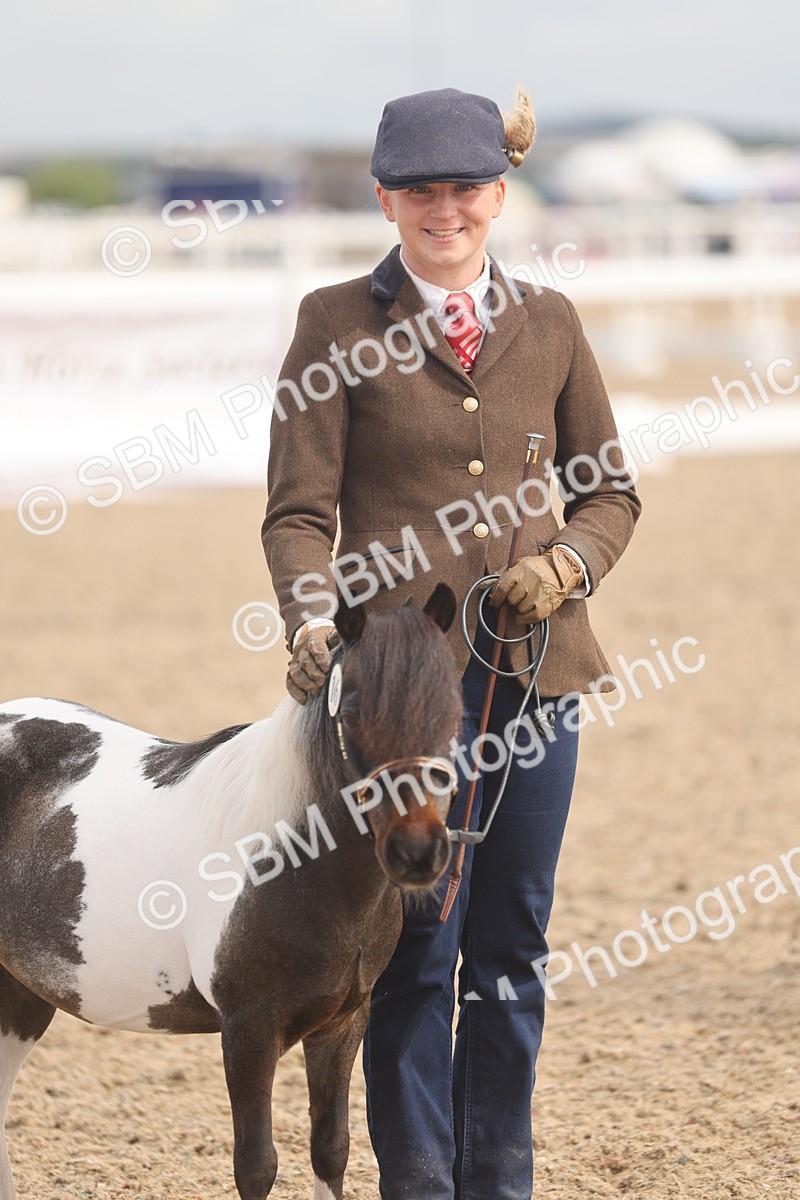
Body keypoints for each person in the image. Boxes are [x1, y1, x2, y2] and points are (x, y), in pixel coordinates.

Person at [261, 85, 641, 1200]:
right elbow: (297, 515)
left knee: (512, 947)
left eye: (464, 187)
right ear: (383, 197)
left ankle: (498, 1181)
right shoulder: (332, 325)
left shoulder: (553, 321)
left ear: (497, 193)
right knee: (417, 949)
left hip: (538, 679)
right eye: (420, 190)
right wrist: (311, 618)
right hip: (399, 699)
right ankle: (420, 1184)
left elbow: (607, 490)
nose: (444, 209)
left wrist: (566, 564)